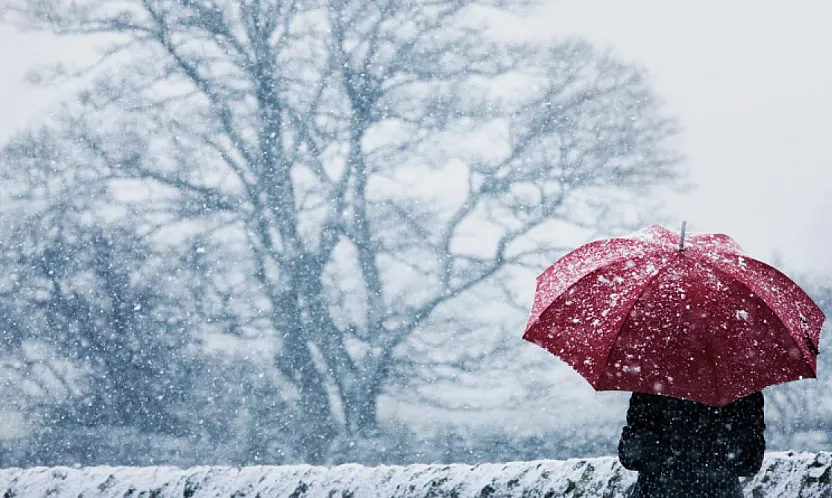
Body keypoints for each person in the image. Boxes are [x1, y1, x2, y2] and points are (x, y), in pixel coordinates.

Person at [618, 391, 765, 498]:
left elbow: (630, 457)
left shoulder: (651, 384)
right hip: (720, 491)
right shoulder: (739, 387)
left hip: (657, 491)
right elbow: (750, 462)